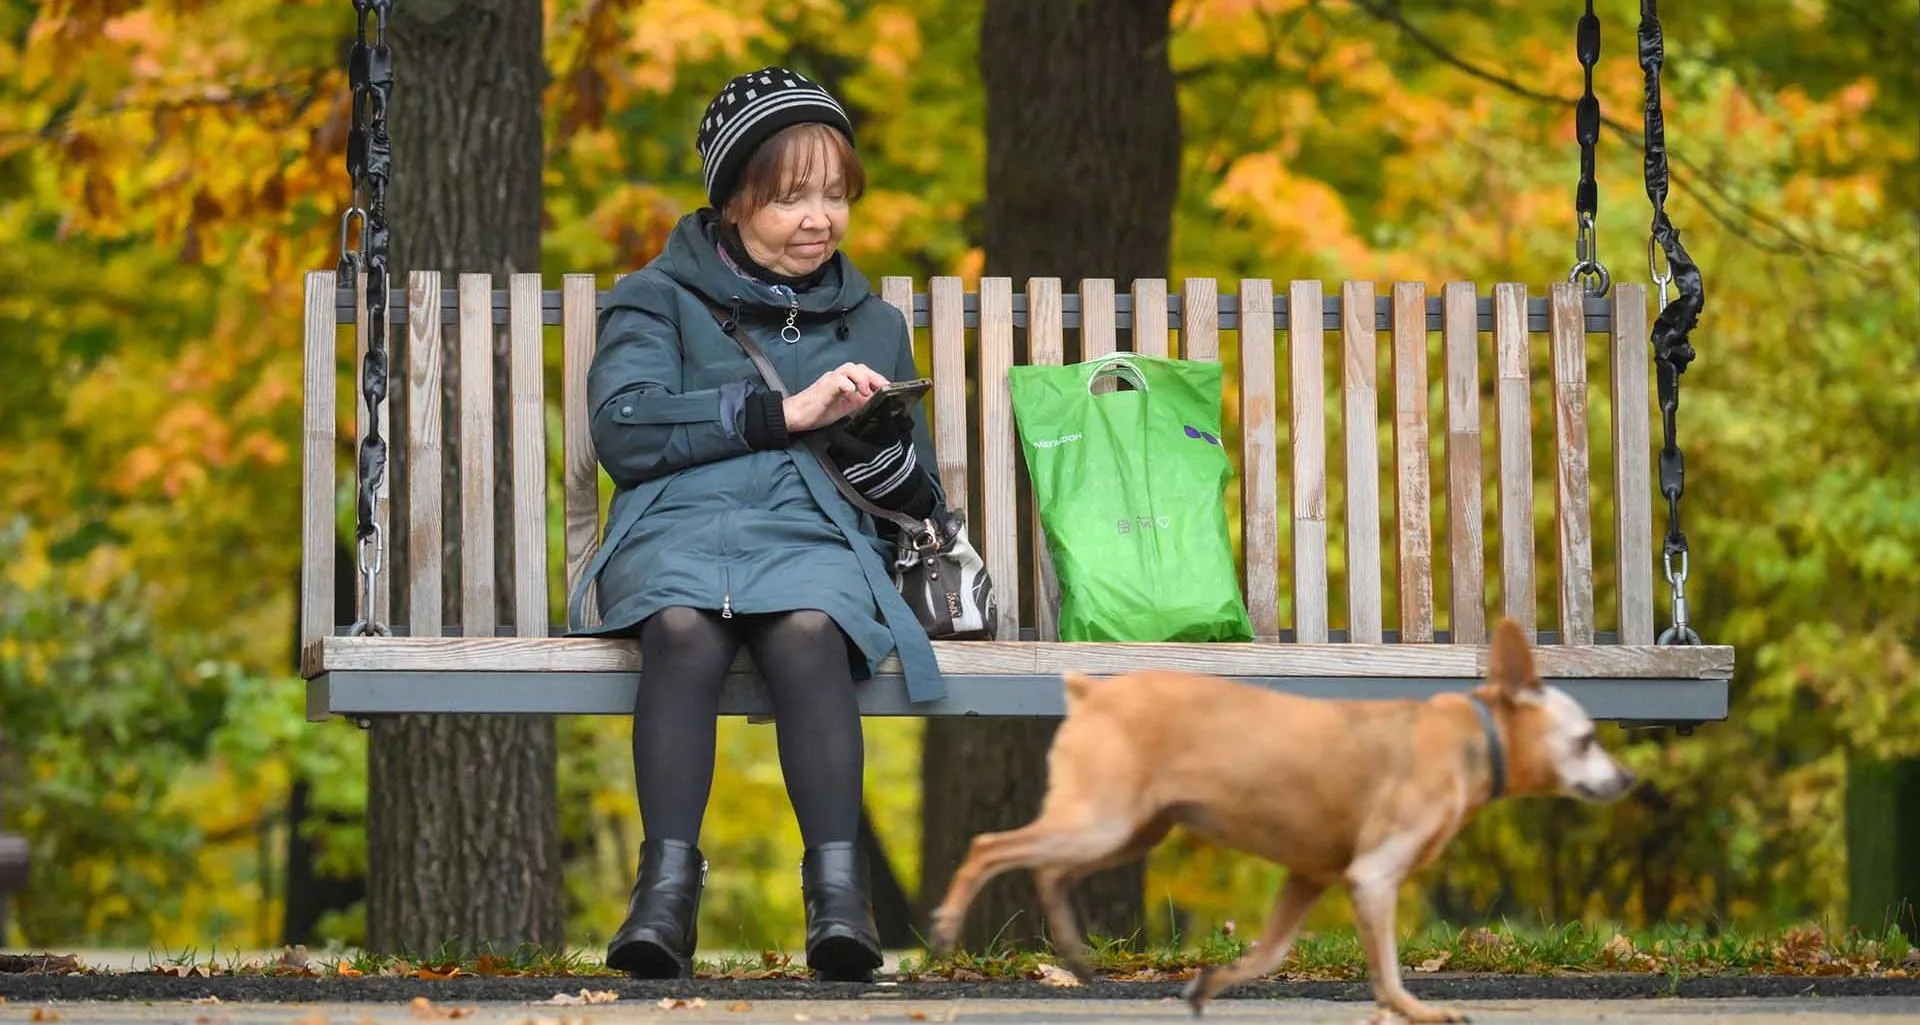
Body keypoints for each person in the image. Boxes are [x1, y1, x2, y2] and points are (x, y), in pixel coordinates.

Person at [566, 67, 951, 983]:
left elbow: (915, 492)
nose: (818, 218)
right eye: (790, 198)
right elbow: (626, 426)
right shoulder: (655, 296)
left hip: (816, 535)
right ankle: (663, 898)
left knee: (811, 629)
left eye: (833, 194)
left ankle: (839, 903)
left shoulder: (873, 322)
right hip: (676, 528)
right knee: (683, 629)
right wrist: (785, 412)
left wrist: (876, 445)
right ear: (735, 201)